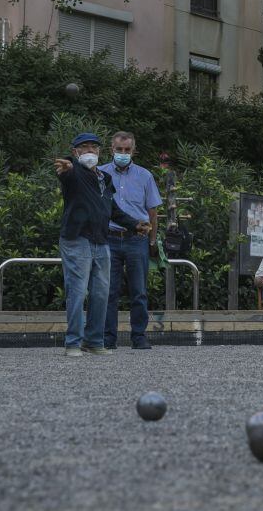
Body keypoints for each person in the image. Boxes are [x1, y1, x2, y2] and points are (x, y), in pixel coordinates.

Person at [54, 133, 151, 358]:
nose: (89, 151)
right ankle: (73, 343)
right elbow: (68, 172)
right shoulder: (74, 172)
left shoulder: (104, 178)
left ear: (99, 151)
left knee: (101, 293)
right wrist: (68, 166)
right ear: (76, 151)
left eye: (93, 148)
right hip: (76, 239)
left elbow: (113, 210)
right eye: (84, 148)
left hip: (100, 240)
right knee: (77, 292)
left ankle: (94, 341)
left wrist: (135, 225)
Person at [99, 131, 162, 350]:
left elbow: (152, 212)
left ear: (133, 150)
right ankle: (108, 338)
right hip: (110, 237)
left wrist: (153, 242)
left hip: (138, 239)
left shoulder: (145, 176)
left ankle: (139, 336)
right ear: (111, 150)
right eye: (119, 150)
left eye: (127, 150)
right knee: (108, 291)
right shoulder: (100, 173)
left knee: (139, 290)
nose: (123, 153)